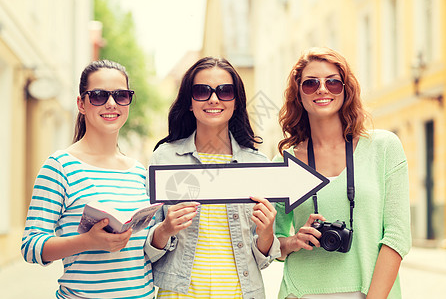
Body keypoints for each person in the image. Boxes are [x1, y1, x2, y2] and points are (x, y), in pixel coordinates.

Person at [274, 47, 411, 299]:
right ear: (298, 95)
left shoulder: (383, 148)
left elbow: (397, 237)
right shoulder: (287, 161)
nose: (322, 89)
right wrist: (293, 241)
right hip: (300, 293)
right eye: (310, 83)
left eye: (333, 82)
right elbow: (272, 244)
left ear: (346, 90)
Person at [144, 56, 281, 299]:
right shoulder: (165, 159)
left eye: (225, 91)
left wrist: (267, 231)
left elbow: (264, 258)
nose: (214, 99)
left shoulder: (257, 164)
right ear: (189, 102)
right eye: (202, 91)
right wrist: (165, 229)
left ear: (237, 102)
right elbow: (145, 247)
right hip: (178, 294)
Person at [21, 60, 155, 298]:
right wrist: (87, 241)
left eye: (121, 96)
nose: (111, 103)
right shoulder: (60, 167)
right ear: (81, 104)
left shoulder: (137, 171)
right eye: (99, 96)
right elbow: (31, 247)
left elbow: (144, 250)